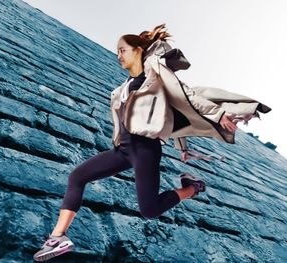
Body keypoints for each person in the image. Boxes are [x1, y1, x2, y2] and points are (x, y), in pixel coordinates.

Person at [33, 24, 270, 261]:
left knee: (149, 210)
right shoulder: (122, 89)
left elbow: (185, 96)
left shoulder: (155, 71)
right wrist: (183, 148)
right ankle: (58, 238)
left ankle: (193, 187)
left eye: (122, 50)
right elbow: (168, 118)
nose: (119, 55)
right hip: (123, 149)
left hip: (146, 149)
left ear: (138, 50)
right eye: (117, 52)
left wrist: (217, 114)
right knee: (77, 176)